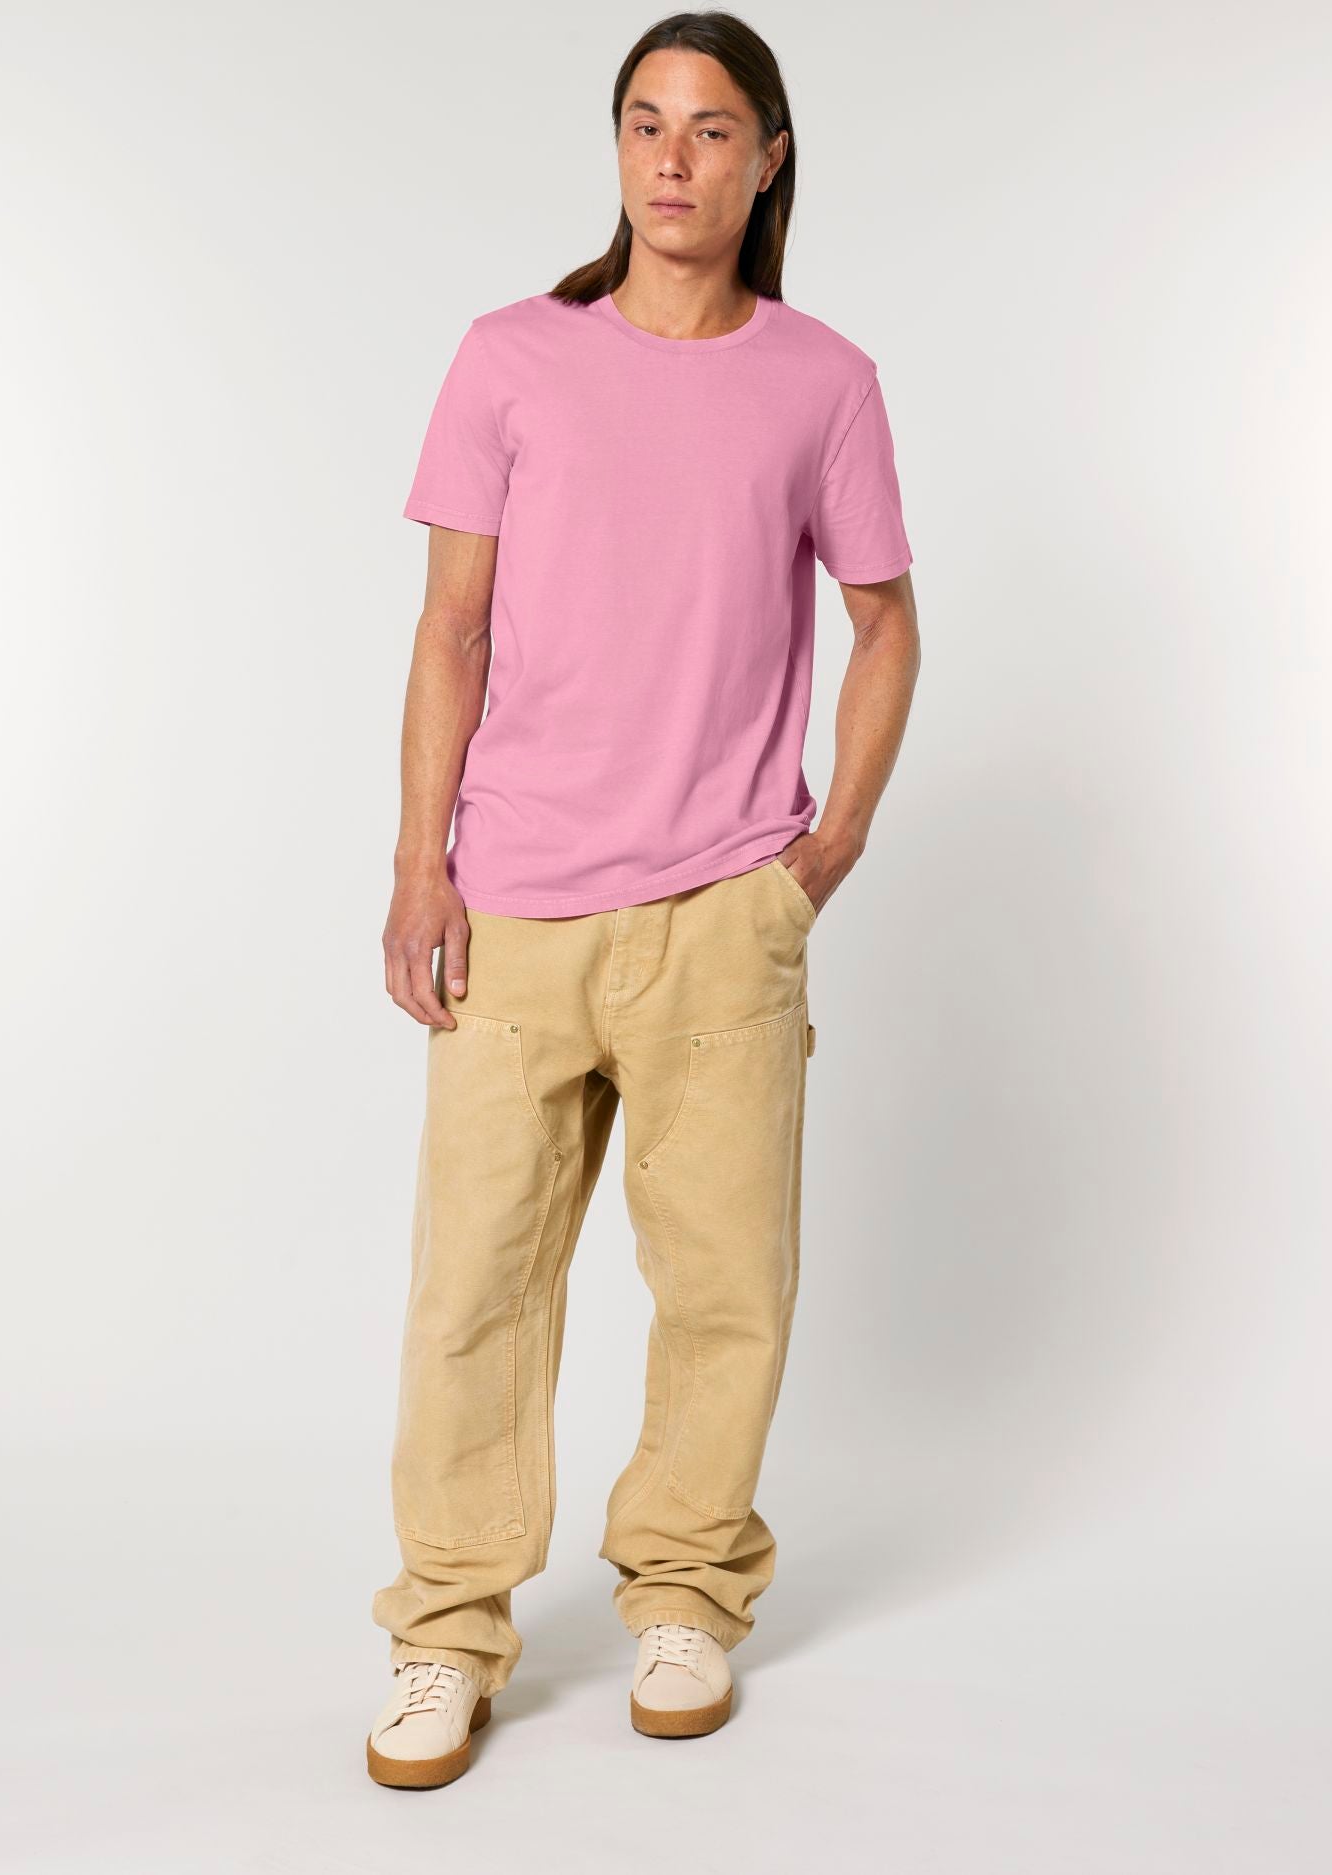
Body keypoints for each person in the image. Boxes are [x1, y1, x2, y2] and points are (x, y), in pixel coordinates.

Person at [366, 9, 919, 1788]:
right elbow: (451, 632)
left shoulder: (824, 381)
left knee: (724, 1284)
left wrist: (824, 851)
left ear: (769, 161)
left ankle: (685, 1590)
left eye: (711, 128)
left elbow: (885, 626)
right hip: (518, 908)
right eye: (644, 123)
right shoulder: (511, 357)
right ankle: (448, 1629)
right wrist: (420, 864)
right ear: (617, 149)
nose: (673, 158)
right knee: (473, 1288)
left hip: (722, 918)